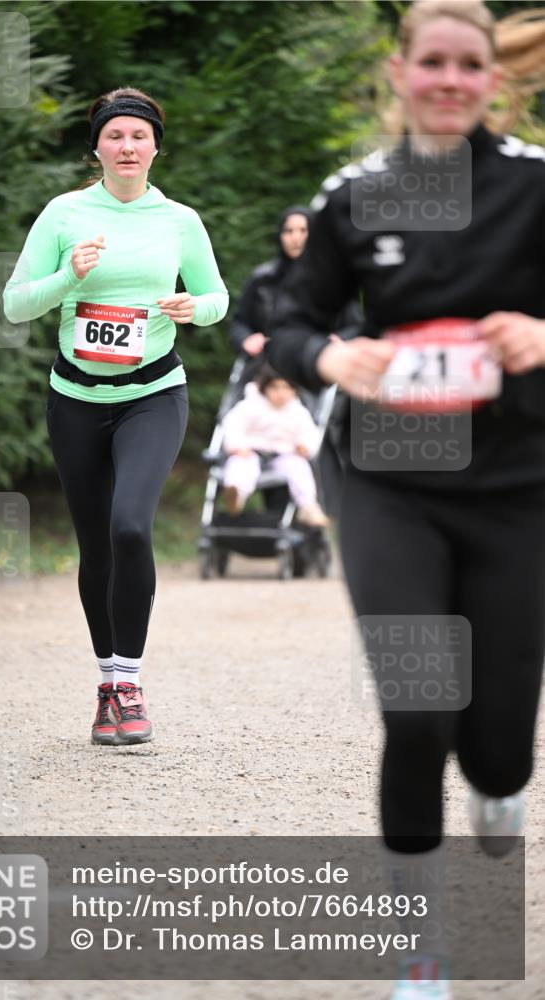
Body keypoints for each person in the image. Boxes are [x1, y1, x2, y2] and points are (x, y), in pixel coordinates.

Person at [267, 3, 545, 997]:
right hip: (388, 476)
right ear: (400, 71)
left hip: (517, 484)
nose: (447, 79)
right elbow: (286, 319)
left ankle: (502, 788)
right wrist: (334, 352)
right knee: (419, 704)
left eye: (467, 64)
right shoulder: (357, 194)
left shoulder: (531, 185)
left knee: (500, 743)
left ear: (489, 81)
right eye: (430, 60)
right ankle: (418, 946)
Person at [4, 87, 228, 746]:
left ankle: (128, 683)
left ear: (155, 147)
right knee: (96, 544)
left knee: (130, 526)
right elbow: (17, 305)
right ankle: (108, 684)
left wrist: (196, 309)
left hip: (154, 393)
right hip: (74, 399)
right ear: (97, 147)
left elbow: (215, 294)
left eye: (138, 136)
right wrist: (68, 277)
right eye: (114, 136)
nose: (127, 146)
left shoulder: (179, 220)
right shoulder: (64, 214)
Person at [221, 365, 329, 526]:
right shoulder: (250, 406)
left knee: (300, 469)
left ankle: (308, 507)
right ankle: (236, 495)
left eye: (286, 388)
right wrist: (237, 446)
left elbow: (309, 433)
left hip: (285, 454)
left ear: (294, 390)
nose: (280, 393)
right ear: (264, 388)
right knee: (240, 467)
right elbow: (232, 425)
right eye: (275, 387)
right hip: (251, 451)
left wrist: (305, 446)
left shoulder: (298, 412)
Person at [228, 206, 312, 374]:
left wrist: (337, 341)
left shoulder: (332, 279)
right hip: (265, 369)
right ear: (280, 236)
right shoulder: (262, 279)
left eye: (303, 230)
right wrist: (247, 339)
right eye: (288, 231)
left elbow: (353, 326)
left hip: (314, 368)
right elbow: (239, 322)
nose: (296, 237)